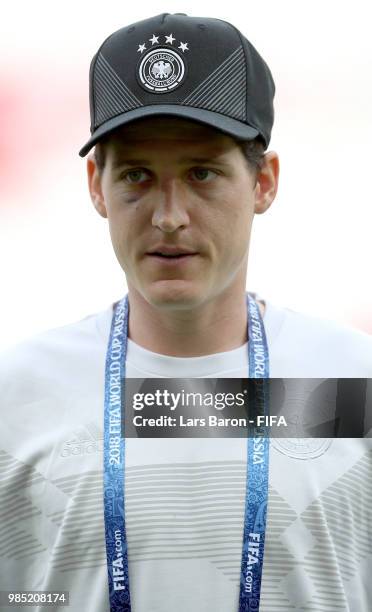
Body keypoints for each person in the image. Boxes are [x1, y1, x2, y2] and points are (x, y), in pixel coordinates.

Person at [0, 12, 371, 612]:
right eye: (138, 176)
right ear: (96, 185)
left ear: (264, 183)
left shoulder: (355, 382)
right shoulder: (16, 393)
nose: (169, 215)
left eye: (202, 173)